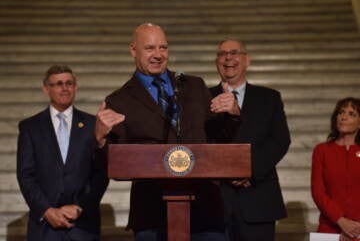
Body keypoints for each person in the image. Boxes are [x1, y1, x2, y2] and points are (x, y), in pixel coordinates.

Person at [95, 23, 240, 241]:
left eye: (163, 48)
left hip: (205, 209)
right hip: (152, 214)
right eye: (150, 48)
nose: (158, 55)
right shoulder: (119, 99)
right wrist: (99, 137)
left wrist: (233, 112)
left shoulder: (192, 84)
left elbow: (220, 137)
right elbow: (114, 164)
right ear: (133, 50)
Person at [208, 39, 291, 241]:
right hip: (216, 201)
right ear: (216, 62)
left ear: (247, 60)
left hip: (258, 198)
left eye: (234, 52)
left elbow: (280, 140)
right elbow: (202, 142)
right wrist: (226, 171)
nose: (228, 58)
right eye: (222, 54)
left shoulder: (269, 98)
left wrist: (249, 170)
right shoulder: (203, 98)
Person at [17, 65, 109, 241]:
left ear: (75, 87)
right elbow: (25, 175)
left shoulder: (93, 125)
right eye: (58, 84)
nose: (65, 88)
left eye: (69, 83)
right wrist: (47, 210)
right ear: (46, 89)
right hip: (44, 226)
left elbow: (101, 171)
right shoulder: (30, 127)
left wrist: (80, 207)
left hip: (83, 225)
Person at [311, 97, 360, 241]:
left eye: (352, 114)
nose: (344, 117)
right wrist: (341, 221)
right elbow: (318, 192)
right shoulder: (322, 151)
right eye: (341, 113)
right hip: (330, 228)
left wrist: (354, 228)